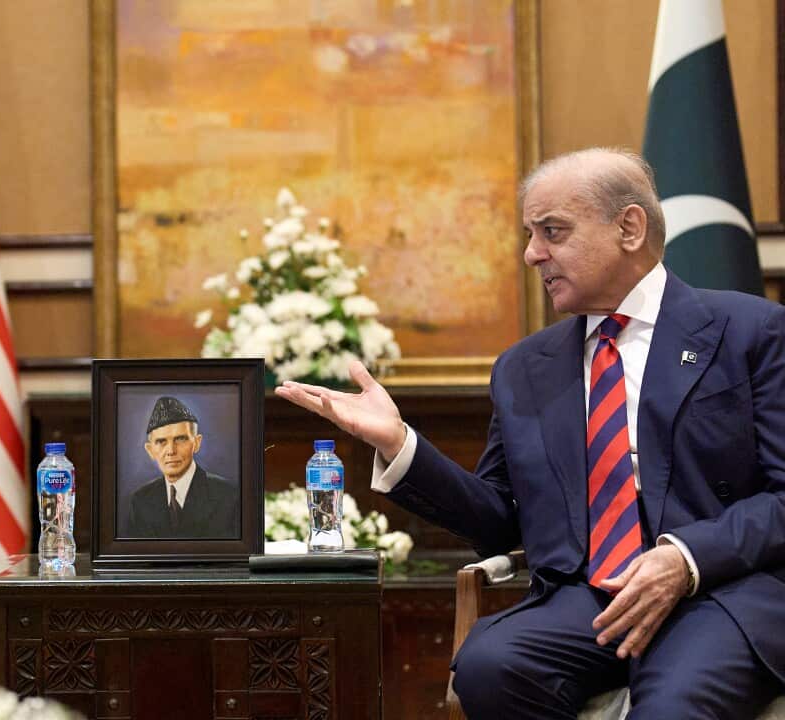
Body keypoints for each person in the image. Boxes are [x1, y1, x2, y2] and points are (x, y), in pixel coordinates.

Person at [276, 148, 785, 719]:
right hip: (586, 600)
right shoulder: (523, 368)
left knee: (672, 705)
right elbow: (496, 522)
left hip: (714, 591)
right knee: (488, 665)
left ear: (629, 228)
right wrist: (398, 443)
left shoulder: (751, 332)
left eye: (553, 231)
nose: (531, 253)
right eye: (530, 234)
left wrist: (684, 558)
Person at [125, 396, 238, 539]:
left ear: (196, 443)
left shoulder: (228, 496)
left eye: (180, 439)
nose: (171, 451)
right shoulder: (140, 501)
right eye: (161, 441)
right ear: (150, 450)